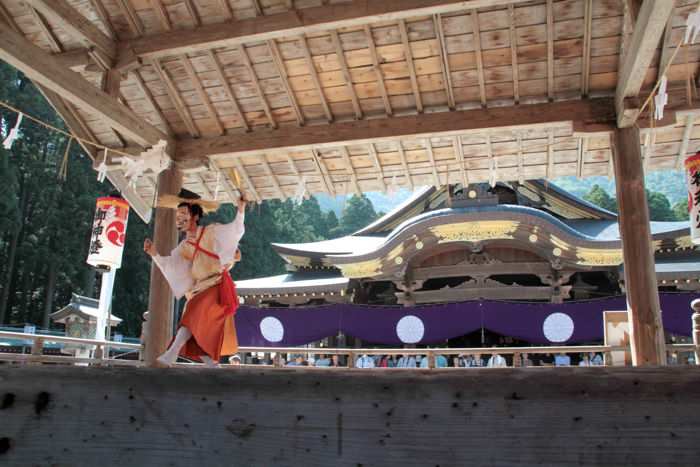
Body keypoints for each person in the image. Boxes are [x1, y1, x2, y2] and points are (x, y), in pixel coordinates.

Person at [144, 189, 247, 368]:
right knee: (194, 321)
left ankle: (172, 353)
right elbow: (171, 265)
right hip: (201, 287)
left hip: (216, 284)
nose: (179, 219)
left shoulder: (210, 231)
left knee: (192, 314)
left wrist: (241, 209)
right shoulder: (184, 246)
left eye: (183, 214)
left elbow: (235, 230)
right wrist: (154, 254)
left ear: (195, 216)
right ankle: (211, 363)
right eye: (178, 215)